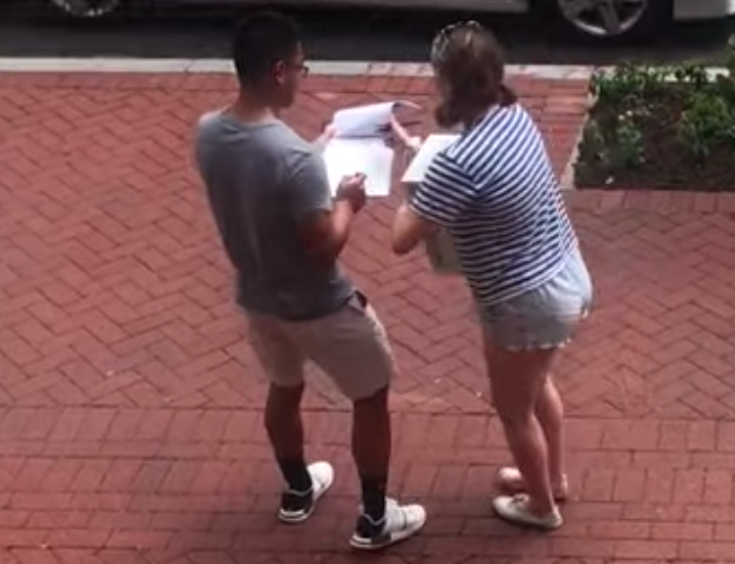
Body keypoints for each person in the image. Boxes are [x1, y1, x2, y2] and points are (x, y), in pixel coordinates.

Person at [193, 11, 425, 550]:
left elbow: (258, 185)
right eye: (301, 66)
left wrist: (315, 151)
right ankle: (373, 519)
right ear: (278, 71)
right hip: (321, 306)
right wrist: (347, 202)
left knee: (284, 386)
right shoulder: (291, 158)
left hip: (259, 299)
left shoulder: (209, 133)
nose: (303, 75)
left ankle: (298, 489)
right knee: (371, 395)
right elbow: (323, 245)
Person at [390, 21, 593, 530]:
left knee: (513, 410)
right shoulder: (513, 115)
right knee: (536, 384)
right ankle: (553, 478)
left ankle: (541, 507)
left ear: (447, 83)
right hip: (565, 274)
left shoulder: (458, 163)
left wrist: (410, 175)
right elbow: (471, 172)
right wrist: (426, 157)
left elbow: (402, 236)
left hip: (523, 302)